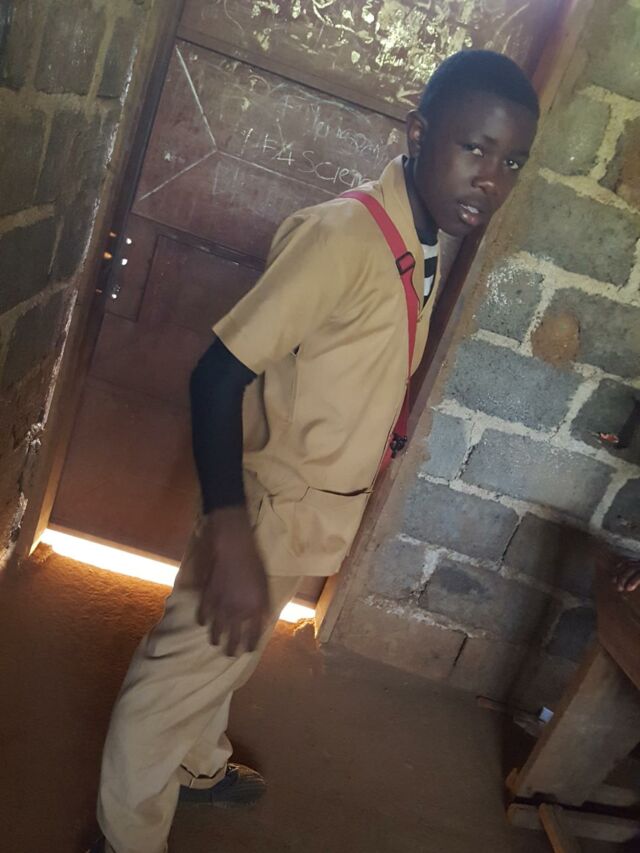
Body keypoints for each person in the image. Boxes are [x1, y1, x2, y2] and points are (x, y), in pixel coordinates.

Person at [88, 50, 540, 853]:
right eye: (475, 148)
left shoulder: (424, 232)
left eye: (511, 161)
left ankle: (196, 762)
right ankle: (120, 838)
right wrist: (230, 529)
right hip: (268, 507)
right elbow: (217, 375)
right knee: (173, 678)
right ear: (418, 133)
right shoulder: (344, 237)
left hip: (311, 510)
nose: (491, 179)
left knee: (232, 647)